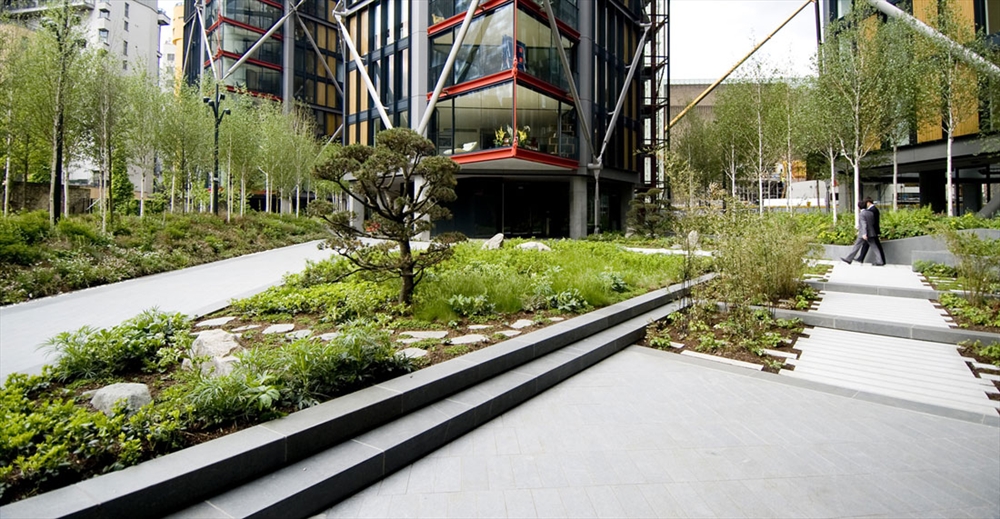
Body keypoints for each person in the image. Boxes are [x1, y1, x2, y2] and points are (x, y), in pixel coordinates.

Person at [841, 201, 884, 265]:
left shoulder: (862, 214)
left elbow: (864, 224)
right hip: (872, 232)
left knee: (856, 246)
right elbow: (872, 223)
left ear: (859, 207)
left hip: (864, 233)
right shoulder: (870, 213)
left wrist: (864, 233)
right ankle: (880, 260)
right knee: (874, 247)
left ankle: (849, 259)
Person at [856, 197, 886, 265]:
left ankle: (881, 261)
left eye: (866, 203)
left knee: (876, 246)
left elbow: (870, 221)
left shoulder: (872, 210)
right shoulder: (872, 209)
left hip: (872, 231)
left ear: (869, 203)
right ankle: (861, 258)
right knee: (866, 244)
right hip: (872, 231)